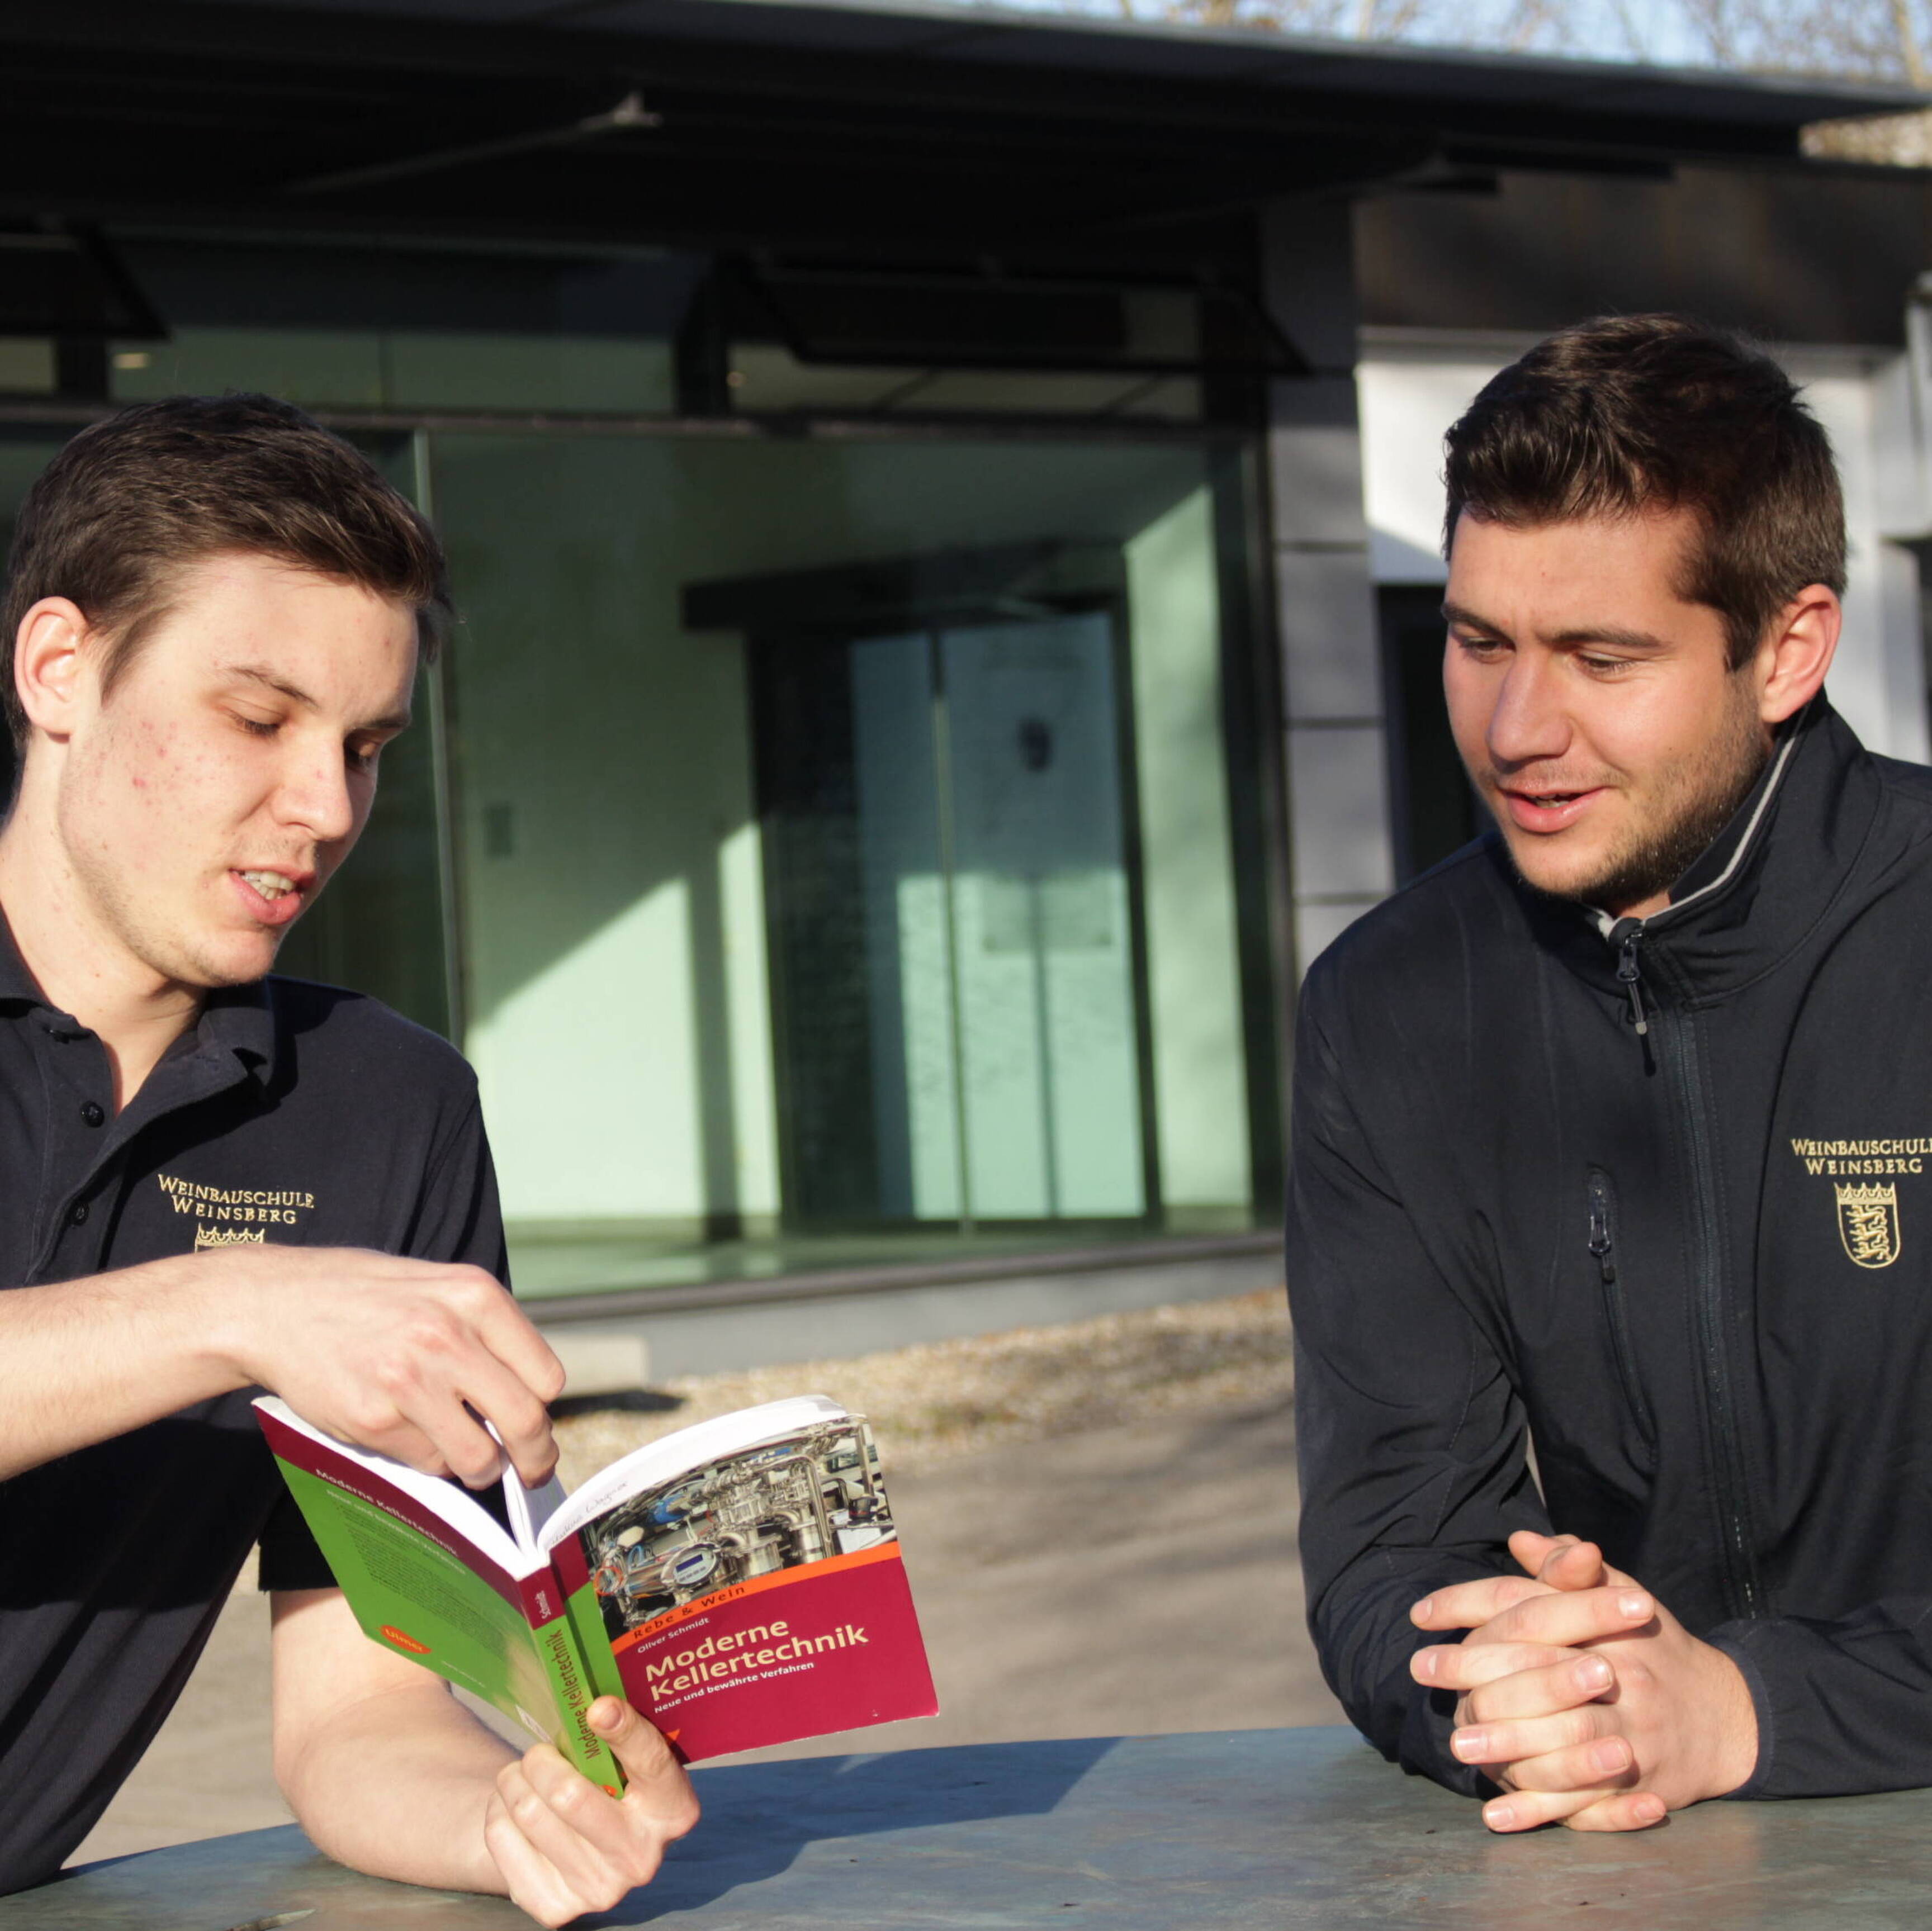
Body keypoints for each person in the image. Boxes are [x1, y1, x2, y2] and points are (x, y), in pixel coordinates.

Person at [0, 394, 697, 1920]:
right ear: (60, 672)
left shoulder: (389, 1110)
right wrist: (231, 1307)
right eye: (259, 721)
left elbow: (360, 1706)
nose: (323, 808)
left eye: (365, 747)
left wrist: (506, 1821)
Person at [1286, 312, 1932, 1835]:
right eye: (1479, 643)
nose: (1521, 729)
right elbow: (1392, 1534)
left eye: (1603, 657)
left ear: (1787, 650)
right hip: (1623, 1857)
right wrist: (1515, 1695)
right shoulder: (1389, 1006)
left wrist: (1756, 1707)